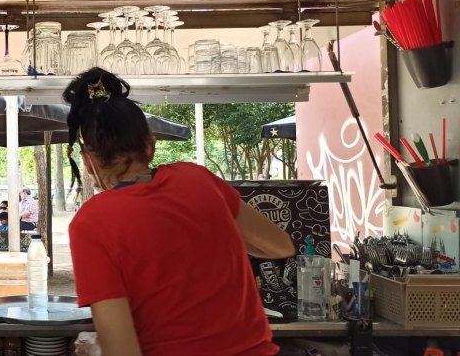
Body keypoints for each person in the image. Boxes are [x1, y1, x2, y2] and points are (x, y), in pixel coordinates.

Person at [63, 68, 294, 356]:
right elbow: (281, 246)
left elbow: (121, 349)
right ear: (150, 146)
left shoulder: (91, 222)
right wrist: (211, 232)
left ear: (87, 161)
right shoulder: (199, 179)